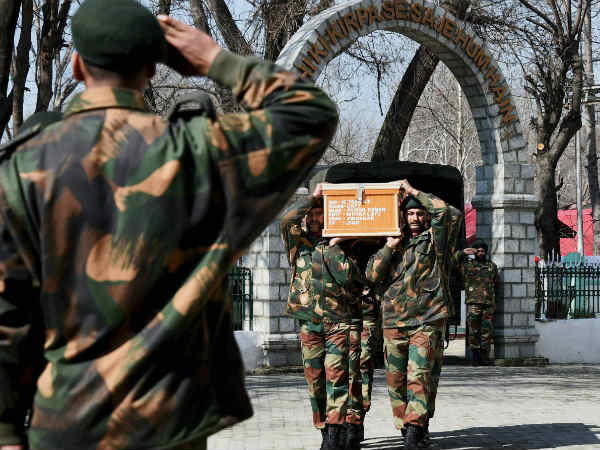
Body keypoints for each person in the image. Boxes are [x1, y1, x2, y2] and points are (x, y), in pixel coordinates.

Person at [0, 0, 338, 449]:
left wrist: (6, 429)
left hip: (67, 423)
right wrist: (215, 60)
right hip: (170, 422)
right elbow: (310, 113)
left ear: (77, 66)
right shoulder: (199, 153)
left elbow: (7, 313)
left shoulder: (23, 167)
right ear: (153, 69)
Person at [366, 180, 462, 450]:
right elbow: (371, 276)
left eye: (420, 213)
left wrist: (411, 191)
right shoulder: (389, 240)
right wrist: (389, 247)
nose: (415, 218)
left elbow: (447, 212)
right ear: (403, 216)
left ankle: (415, 430)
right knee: (396, 381)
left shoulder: (435, 241)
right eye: (410, 213)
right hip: (393, 322)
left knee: (419, 376)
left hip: (427, 319)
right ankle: (407, 426)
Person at [452, 239, 499, 366]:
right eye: (478, 251)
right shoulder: (467, 265)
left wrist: (494, 301)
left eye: (482, 251)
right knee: (473, 330)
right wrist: (462, 253)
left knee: (487, 331)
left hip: (488, 304)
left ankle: (484, 357)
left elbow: (496, 283)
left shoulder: (492, 266)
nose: (480, 253)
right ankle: (475, 357)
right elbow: (452, 262)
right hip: (474, 303)